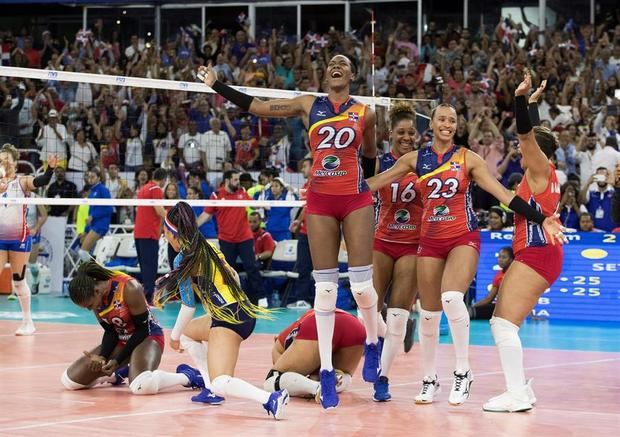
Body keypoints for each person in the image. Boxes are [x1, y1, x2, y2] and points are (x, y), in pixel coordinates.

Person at [198, 54, 381, 410]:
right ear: (326, 74)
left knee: (360, 286)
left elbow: (371, 157)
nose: (336, 66)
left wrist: (367, 190)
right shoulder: (307, 104)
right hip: (320, 201)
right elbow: (260, 107)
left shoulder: (367, 112)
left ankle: (373, 342)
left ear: (353, 74)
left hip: (355, 197)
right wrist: (217, 86)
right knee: (325, 289)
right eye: (331, 63)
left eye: (343, 63)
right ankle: (326, 371)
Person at [366, 99, 564, 406]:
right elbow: (376, 182)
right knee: (430, 316)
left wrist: (542, 219)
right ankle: (430, 378)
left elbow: (502, 194)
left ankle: (462, 371)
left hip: (463, 236)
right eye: (441, 119)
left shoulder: (468, 158)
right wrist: (329, 193)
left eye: (452, 120)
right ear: (429, 124)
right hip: (429, 239)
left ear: (457, 126)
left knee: (452, 299)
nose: (447, 124)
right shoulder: (415, 159)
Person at [155, 202, 289, 419]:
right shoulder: (208, 247)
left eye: (165, 232)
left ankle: (270, 399)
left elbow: (188, 306)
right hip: (239, 310)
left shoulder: (184, 258)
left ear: (172, 233)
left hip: (229, 319)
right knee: (191, 333)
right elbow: (234, 276)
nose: (164, 236)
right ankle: (209, 388)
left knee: (222, 381)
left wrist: (173, 336)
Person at [483, 72, 565, 413]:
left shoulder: (538, 169)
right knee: (504, 322)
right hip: (541, 253)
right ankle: (521, 391)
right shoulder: (545, 174)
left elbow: (526, 134)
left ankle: (516, 393)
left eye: (524, 148)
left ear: (538, 153)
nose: (519, 150)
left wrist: (519, 98)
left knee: (502, 323)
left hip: (537, 252)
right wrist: (531, 104)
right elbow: (531, 134)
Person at [61, 260, 205, 395]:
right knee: (69, 381)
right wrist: (102, 357)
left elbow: (142, 329)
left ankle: (187, 376)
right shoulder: (93, 294)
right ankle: (116, 375)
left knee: (141, 386)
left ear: (97, 291)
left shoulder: (129, 287)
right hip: (121, 339)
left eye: (89, 306)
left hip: (147, 337)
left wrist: (117, 360)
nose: (89, 310)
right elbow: (110, 331)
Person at [370, 102, 423, 402]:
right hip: (382, 240)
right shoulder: (379, 163)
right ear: (390, 133)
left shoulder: (426, 162)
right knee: (369, 307)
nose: (406, 137)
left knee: (398, 313)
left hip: (412, 245)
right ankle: (373, 345)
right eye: (401, 132)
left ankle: (383, 378)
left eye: (411, 132)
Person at [0, 144, 56, 335]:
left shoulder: (22, 181)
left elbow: (42, 180)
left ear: (14, 163)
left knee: (18, 281)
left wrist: (50, 168)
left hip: (19, 239)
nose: (3, 162)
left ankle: (28, 322)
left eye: (6, 158)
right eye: (1, 159)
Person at [197, 170, 265, 305]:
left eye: (238, 180)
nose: (238, 182)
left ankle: (258, 300)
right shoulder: (216, 195)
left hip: (244, 238)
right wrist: (193, 227)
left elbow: (255, 204)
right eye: (235, 179)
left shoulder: (242, 192)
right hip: (226, 239)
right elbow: (206, 215)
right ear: (227, 180)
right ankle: (230, 299)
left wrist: (269, 204)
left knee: (251, 267)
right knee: (227, 270)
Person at [264, 309, 365, 400]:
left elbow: (284, 373)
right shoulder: (297, 326)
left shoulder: (279, 345)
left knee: (271, 381)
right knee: (341, 375)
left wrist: (302, 386)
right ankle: (326, 385)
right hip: (355, 327)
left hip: (319, 325)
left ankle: (317, 388)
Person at [134, 168, 167, 304]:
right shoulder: (156, 189)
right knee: (150, 267)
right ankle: (149, 298)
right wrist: (175, 219)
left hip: (139, 233)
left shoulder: (143, 188)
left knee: (144, 266)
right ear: (164, 179)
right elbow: (159, 210)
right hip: (149, 233)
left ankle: (145, 296)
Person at [288, 158, 314, 309]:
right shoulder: (305, 185)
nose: (302, 169)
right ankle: (302, 300)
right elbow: (306, 207)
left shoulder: (318, 183)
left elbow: (309, 206)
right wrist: (298, 222)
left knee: (321, 270)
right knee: (303, 268)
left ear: (313, 167)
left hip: (319, 234)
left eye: (305, 166)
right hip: (304, 233)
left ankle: (323, 301)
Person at [469, 247, 514, 320]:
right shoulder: (498, 275)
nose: (500, 260)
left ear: (511, 260)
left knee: (471, 312)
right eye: (499, 257)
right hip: (500, 308)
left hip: (513, 310)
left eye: (504, 257)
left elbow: (525, 295)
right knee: (472, 311)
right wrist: (473, 306)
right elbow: (489, 298)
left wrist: (531, 315)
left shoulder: (516, 274)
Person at [78, 168, 113, 262]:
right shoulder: (91, 192)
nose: (90, 179)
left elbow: (109, 208)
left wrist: (93, 216)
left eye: (93, 177)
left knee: (83, 252)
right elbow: (91, 211)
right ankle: (92, 273)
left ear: (99, 178)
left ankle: (95, 273)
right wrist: (85, 230)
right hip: (93, 225)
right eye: (89, 177)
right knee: (86, 251)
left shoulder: (103, 190)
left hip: (101, 225)